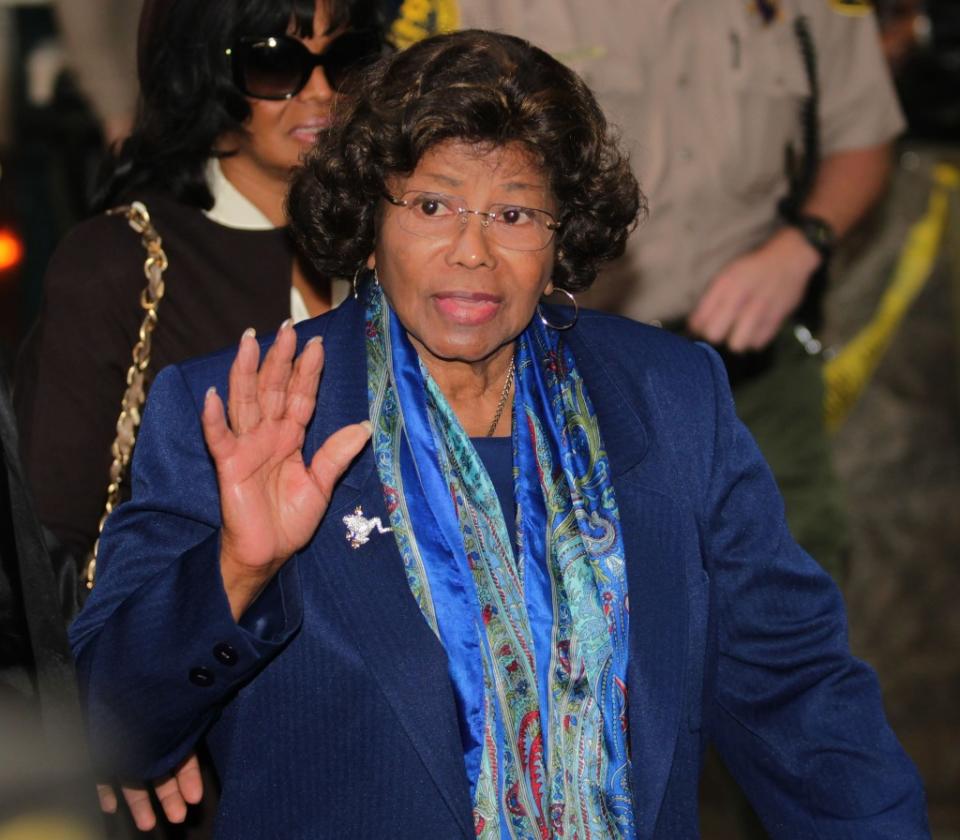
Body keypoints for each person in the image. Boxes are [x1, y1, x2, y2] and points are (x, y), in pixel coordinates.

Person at [70, 30, 929, 839]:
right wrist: (239, 566)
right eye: (433, 204)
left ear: (563, 238)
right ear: (371, 223)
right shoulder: (244, 406)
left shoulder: (668, 398)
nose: (472, 252)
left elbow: (799, 699)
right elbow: (116, 728)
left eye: (514, 215)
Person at [454, 1, 905, 583]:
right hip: (560, 369)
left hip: (751, 368)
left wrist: (800, 246)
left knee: (793, 586)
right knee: (571, 604)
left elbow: (864, 135)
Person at [14, 0, 388, 600]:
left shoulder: (400, 245)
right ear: (204, 73)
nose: (320, 91)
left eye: (344, 58)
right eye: (275, 63)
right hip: (191, 664)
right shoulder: (120, 260)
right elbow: (44, 551)